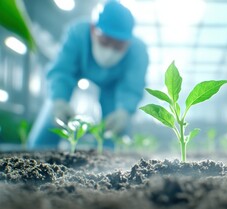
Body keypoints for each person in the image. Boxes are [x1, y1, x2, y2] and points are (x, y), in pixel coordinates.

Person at [28, 0, 149, 149]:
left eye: (119, 46)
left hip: (114, 87)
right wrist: (59, 99)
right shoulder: (77, 34)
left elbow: (132, 86)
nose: (110, 50)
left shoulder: (138, 50)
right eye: (105, 41)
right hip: (75, 75)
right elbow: (62, 71)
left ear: (129, 42)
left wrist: (124, 111)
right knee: (54, 114)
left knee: (115, 129)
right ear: (93, 29)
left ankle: (112, 164)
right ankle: (37, 154)